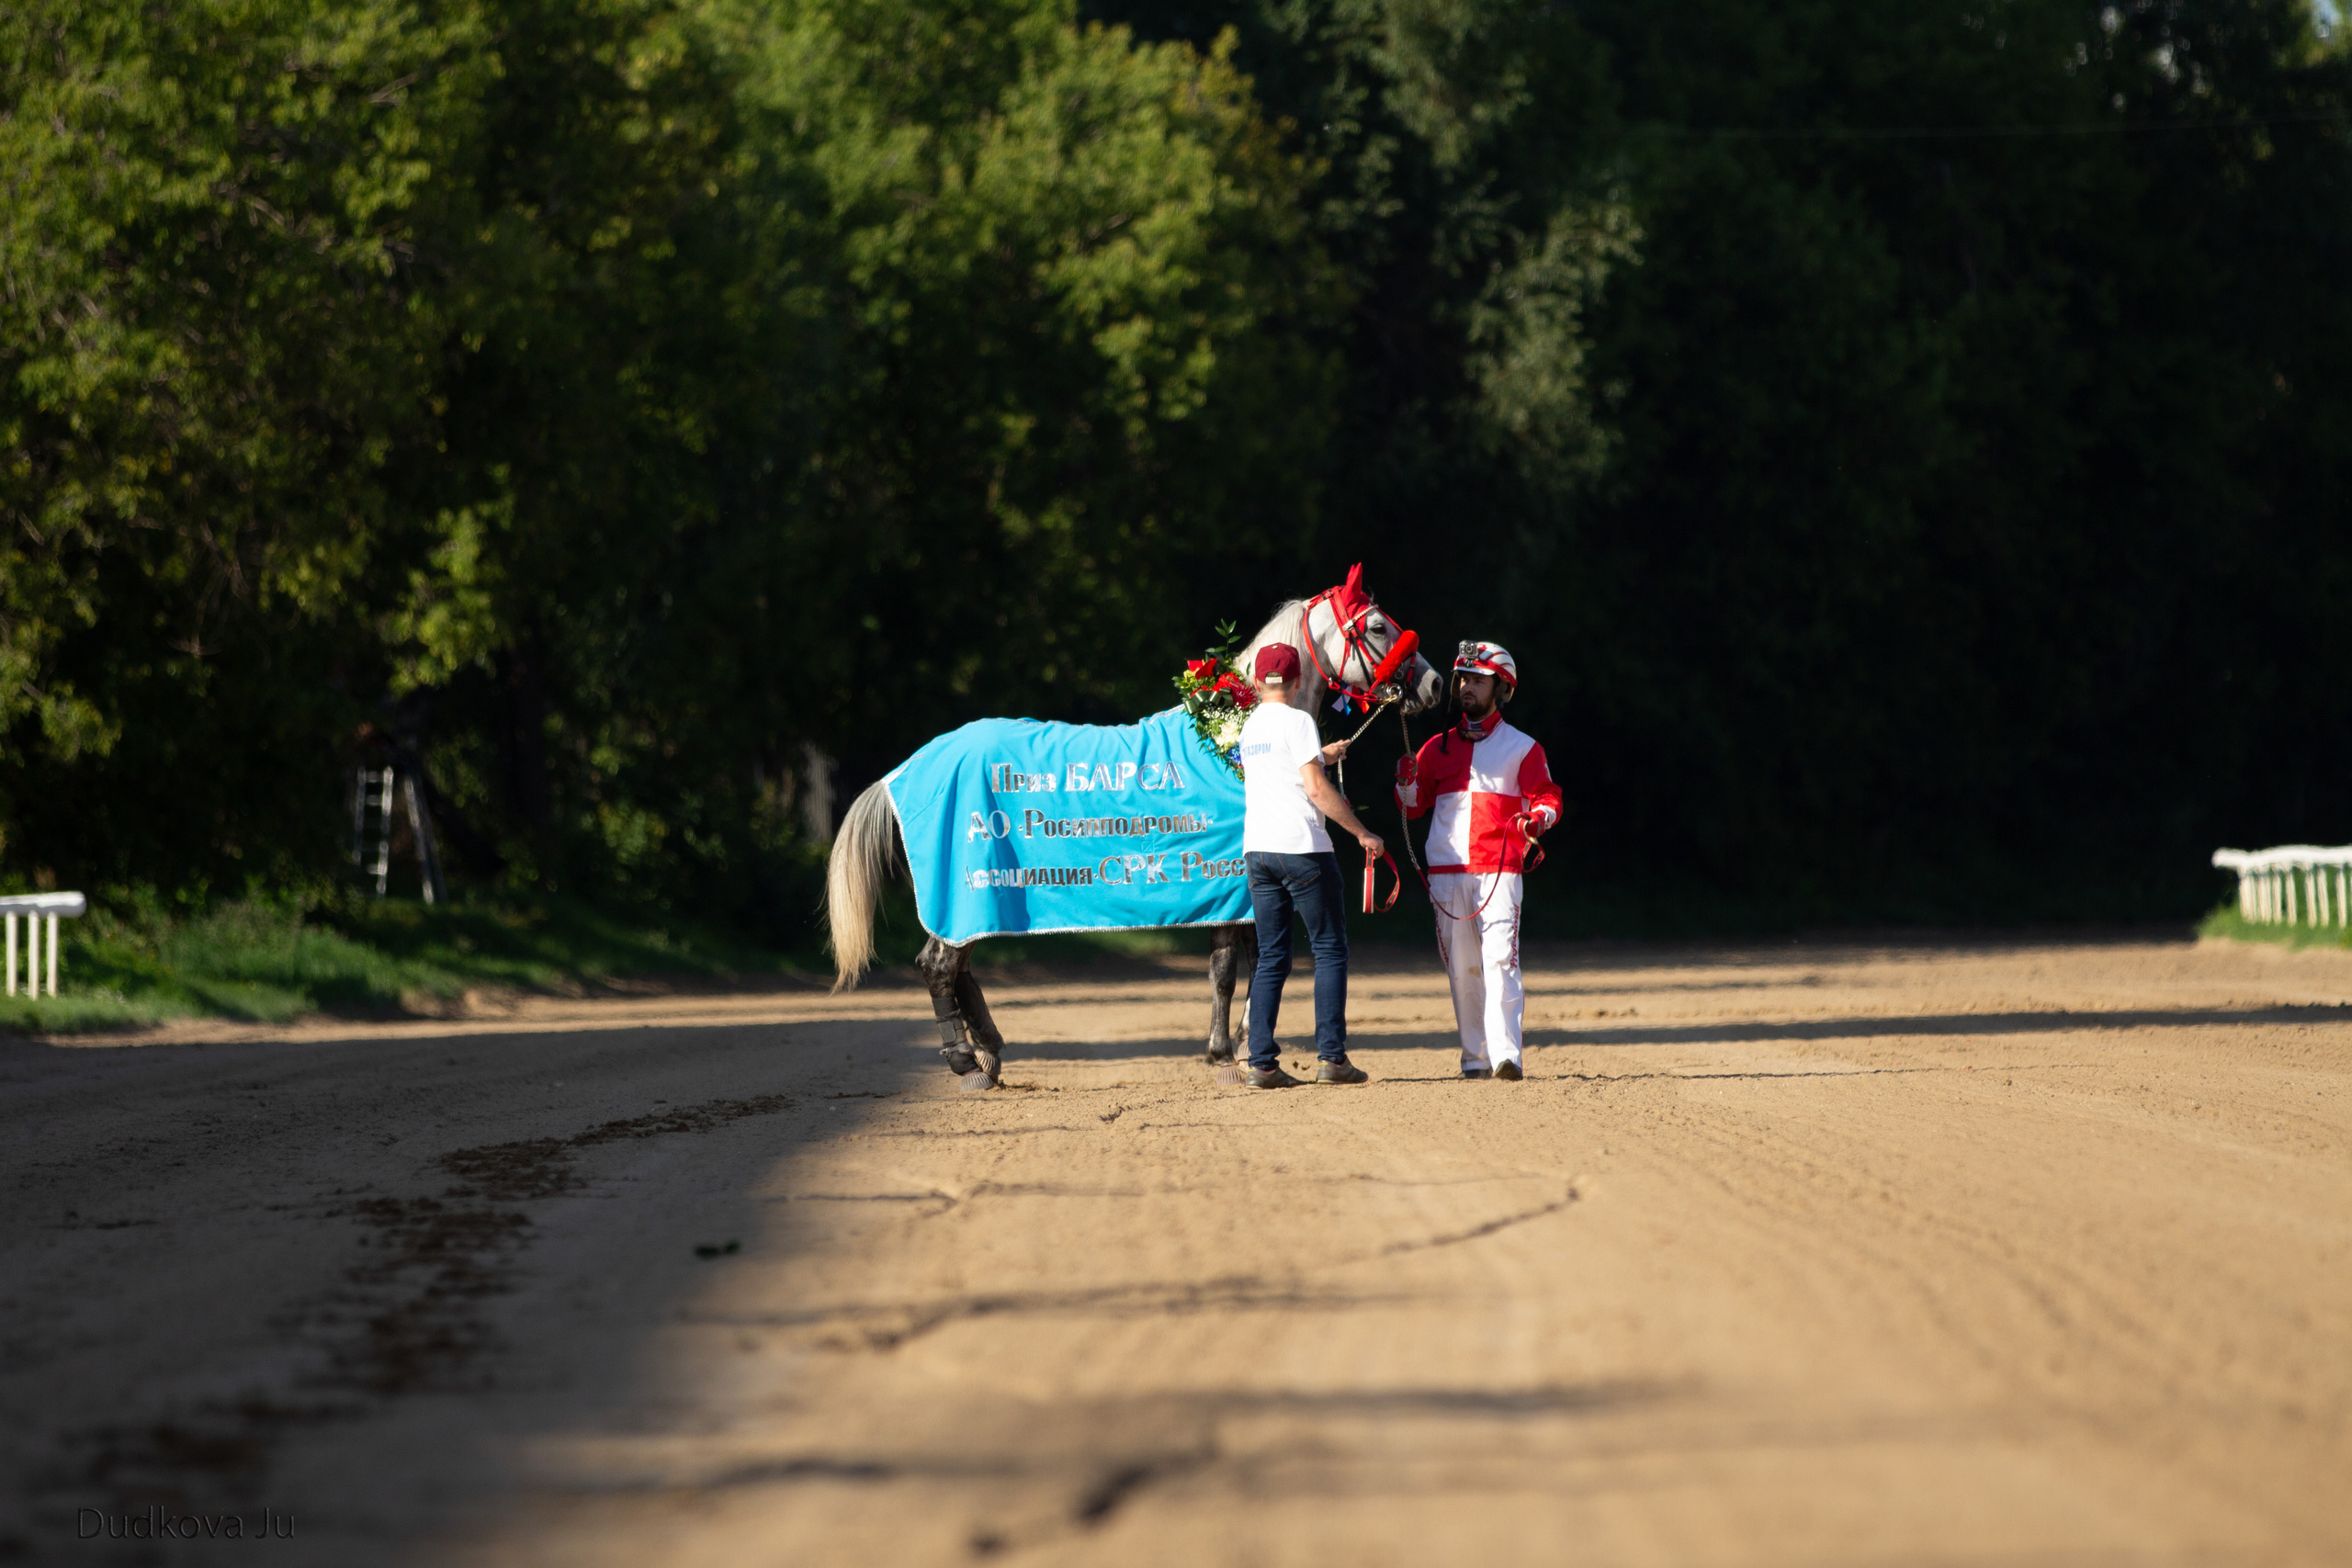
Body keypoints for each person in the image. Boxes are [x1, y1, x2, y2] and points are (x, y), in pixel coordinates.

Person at [1395, 641, 1561, 1080]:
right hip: (1447, 875)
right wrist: (1405, 783)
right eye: (1463, 679)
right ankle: (1474, 1059)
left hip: (1500, 870)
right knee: (1463, 971)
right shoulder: (1434, 748)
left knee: (1500, 960)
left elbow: (1548, 797)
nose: (1467, 687)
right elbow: (1412, 808)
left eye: (1478, 680)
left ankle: (1507, 1057)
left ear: (1501, 687)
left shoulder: (1524, 748)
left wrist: (1537, 819)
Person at [1236, 641, 1385, 1089]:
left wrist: (1321, 753)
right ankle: (1332, 1059)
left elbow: (1282, 769)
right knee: (1329, 949)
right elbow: (1315, 791)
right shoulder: (1300, 720)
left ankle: (1260, 1063)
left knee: (1271, 958)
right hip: (1302, 848)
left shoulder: (1249, 728)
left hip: (1257, 851)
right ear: (1299, 680)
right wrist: (1362, 833)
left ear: (1258, 682)